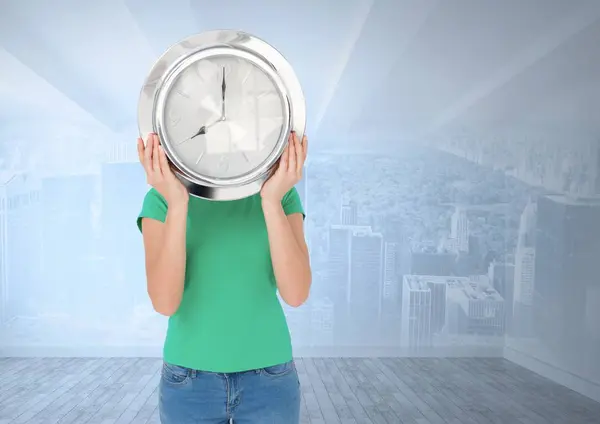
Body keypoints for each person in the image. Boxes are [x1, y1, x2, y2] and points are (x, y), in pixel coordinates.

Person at [135, 130, 311, 424]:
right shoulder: (162, 200)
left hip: (270, 379)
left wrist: (270, 201)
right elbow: (165, 303)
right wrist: (178, 203)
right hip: (188, 382)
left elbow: (296, 294)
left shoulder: (280, 194)